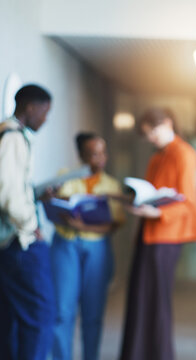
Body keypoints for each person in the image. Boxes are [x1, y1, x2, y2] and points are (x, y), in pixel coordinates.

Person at [119, 108, 196, 360]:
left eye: (153, 132)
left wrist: (157, 214)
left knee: (157, 301)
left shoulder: (184, 153)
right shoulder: (157, 157)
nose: (151, 138)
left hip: (167, 236)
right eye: (147, 135)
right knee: (139, 297)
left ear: (168, 123)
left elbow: (188, 202)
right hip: (148, 234)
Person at [51, 132, 125, 360]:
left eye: (103, 153)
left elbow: (115, 224)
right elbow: (53, 209)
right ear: (82, 155)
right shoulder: (65, 177)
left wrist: (85, 226)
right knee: (63, 312)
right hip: (66, 245)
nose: (100, 159)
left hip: (96, 250)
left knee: (93, 313)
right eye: (93, 154)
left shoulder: (111, 184)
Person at [0, 84, 54, 360]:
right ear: (30, 108)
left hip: (9, 244)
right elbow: (9, 196)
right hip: (20, 243)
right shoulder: (12, 138)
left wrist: (35, 195)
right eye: (45, 112)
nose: (45, 119)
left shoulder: (9, 136)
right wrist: (33, 227)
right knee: (40, 317)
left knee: (11, 320)